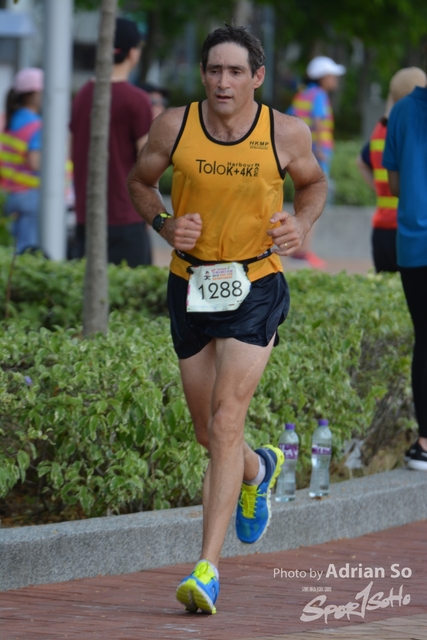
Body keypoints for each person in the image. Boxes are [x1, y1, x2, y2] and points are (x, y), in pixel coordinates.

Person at [128, 24, 327, 614]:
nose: (223, 81)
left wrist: (301, 223)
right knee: (208, 433)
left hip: (255, 284)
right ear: (203, 74)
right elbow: (140, 182)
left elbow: (314, 183)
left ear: (256, 77)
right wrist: (164, 223)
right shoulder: (174, 126)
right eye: (214, 69)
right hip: (190, 283)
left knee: (225, 419)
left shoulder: (285, 132)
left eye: (236, 71)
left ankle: (207, 569)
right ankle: (259, 468)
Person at [70, 17, 153, 267]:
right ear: (133, 52)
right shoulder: (137, 100)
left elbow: (72, 151)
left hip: (87, 216)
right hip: (127, 217)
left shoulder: (83, 95)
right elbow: (148, 164)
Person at [382, 70, 427, 472]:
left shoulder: (400, 112)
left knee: (424, 338)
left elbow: (394, 184)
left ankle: (424, 442)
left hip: (413, 244)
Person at [357, 67, 426, 273]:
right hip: (407, 227)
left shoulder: (380, 129)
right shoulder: (412, 129)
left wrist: (379, 187)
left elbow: (361, 162)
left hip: (381, 227)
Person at [288, 56, 346, 269]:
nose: (335, 79)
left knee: (303, 201)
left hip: (301, 157)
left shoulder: (303, 94)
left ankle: (298, 249)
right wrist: (322, 151)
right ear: (323, 77)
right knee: (314, 203)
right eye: (332, 75)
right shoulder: (320, 95)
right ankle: (304, 251)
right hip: (317, 159)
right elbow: (320, 123)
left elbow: (290, 119)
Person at [0, 68, 43, 254]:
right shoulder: (36, 124)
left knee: (12, 247)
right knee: (27, 250)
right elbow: (34, 162)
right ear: (33, 95)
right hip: (30, 194)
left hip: (10, 193)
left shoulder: (9, 120)